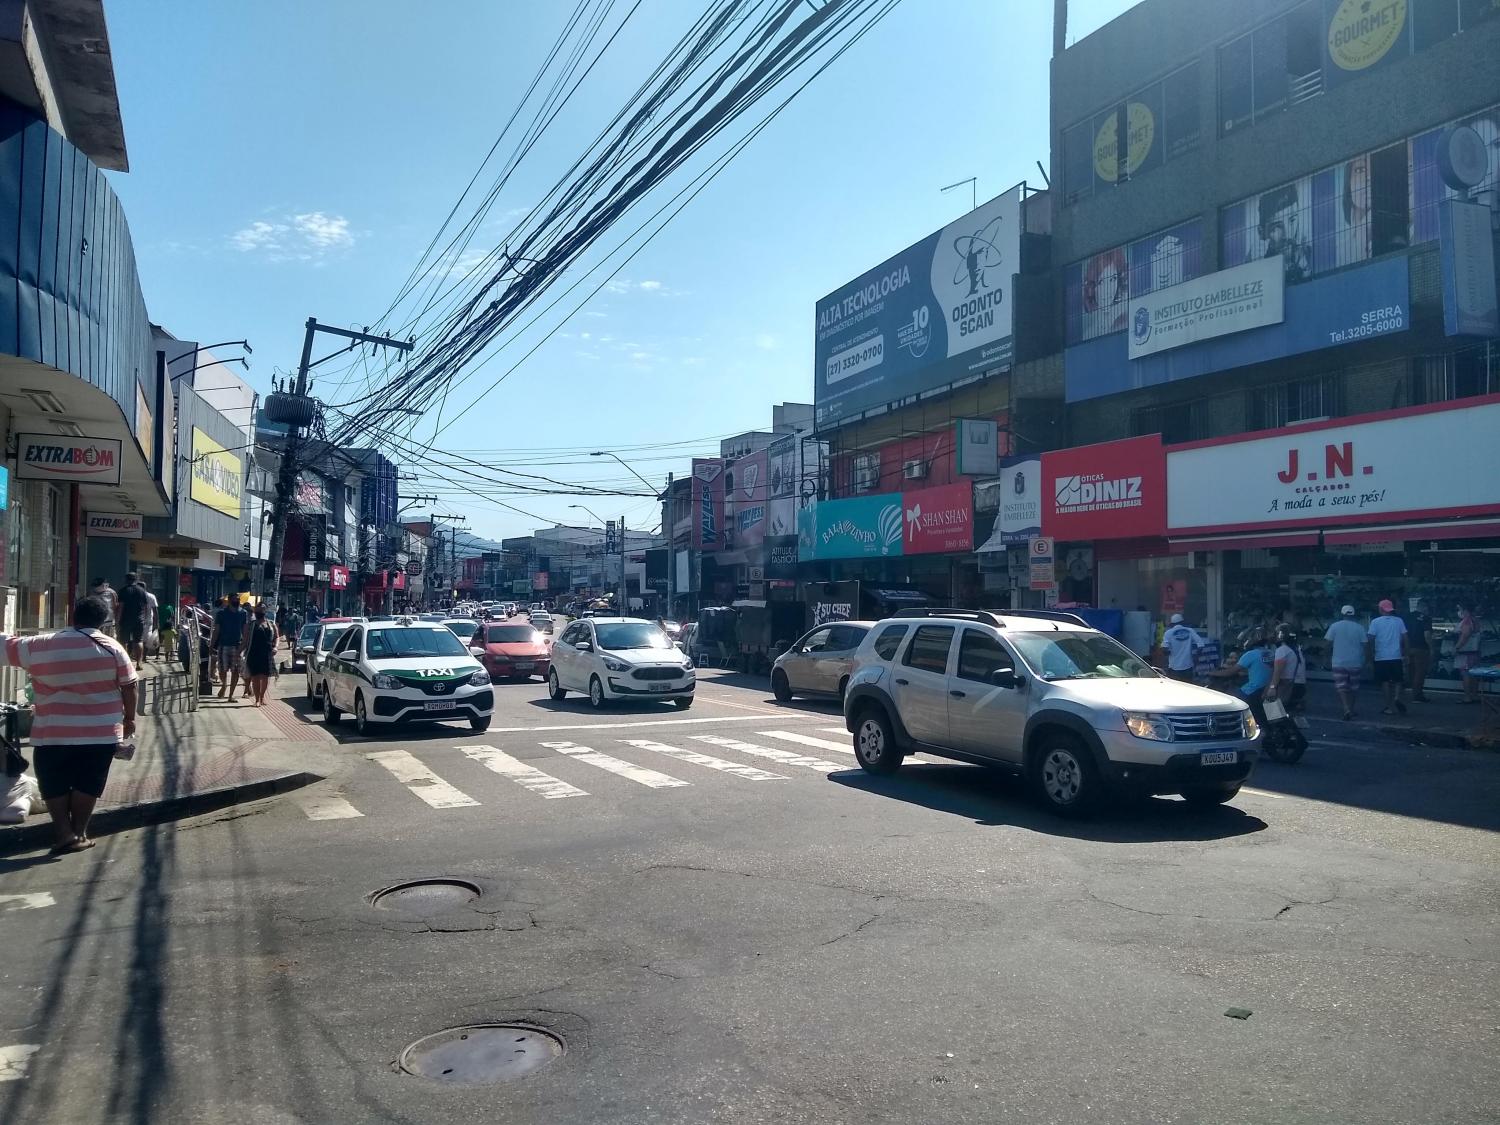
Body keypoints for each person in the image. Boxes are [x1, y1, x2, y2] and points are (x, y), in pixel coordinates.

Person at [0, 596, 137, 854]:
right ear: (103, 620)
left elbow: (5, 646)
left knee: (54, 782)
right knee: (88, 782)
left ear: (73, 617)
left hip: (51, 732)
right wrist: (129, 718)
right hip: (100, 733)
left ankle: (64, 833)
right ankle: (80, 832)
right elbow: (129, 686)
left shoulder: (40, 645)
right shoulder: (112, 648)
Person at [1324, 605, 1367, 721]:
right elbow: (1365, 645)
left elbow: (1327, 644)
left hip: (1338, 661)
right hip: (1355, 661)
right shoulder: (1360, 628)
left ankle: (1346, 708)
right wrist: (1367, 659)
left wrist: (1326, 657)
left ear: (1341, 613)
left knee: (1341, 687)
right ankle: (1351, 709)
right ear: (1353, 614)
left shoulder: (1334, 626)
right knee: (1354, 687)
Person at [1367, 598, 1408, 716]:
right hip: (1396, 655)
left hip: (1381, 656)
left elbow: (1370, 638)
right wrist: (1406, 653)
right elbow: (1405, 637)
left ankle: (1389, 707)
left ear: (1381, 609)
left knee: (1384, 682)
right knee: (1398, 680)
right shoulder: (1399, 621)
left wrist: (1370, 654)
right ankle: (1396, 697)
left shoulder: (1375, 622)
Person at [210, 596, 249, 702]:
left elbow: (245, 630)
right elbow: (216, 630)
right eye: (234, 600)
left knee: (236, 671)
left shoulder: (243, 613)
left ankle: (231, 695)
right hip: (223, 645)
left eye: (238, 600)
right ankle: (224, 685)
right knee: (222, 669)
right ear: (229, 601)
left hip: (237, 645)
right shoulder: (221, 613)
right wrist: (212, 645)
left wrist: (243, 645)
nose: (236, 601)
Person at [1234, 633, 1275, 726]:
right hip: (1267, 688)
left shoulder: (1251, 654)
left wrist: (1212, 673)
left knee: (1232, 696)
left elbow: (1231, 671)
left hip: (1253, 691)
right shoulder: (1271, 653)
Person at [1267, 626, 1307, 714]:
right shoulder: (1296, 650)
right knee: (1287, 712)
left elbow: (1278, 671)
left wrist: (1272, 687)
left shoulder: (1282, 650)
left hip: (1286, 686)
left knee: (1273, 714)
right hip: (1299, 686)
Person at [244, 603, 277, 707]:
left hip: (266, 653)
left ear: (265, 611)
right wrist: (238, 652)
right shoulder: (250, 625)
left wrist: (275, 647)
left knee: (265, 677)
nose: (260, 612)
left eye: (262, 610)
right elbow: (245, 640)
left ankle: (262, 697)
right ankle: (257, 699)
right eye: (258, 610)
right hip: (253, 653)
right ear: (255, 611)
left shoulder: (271, 624)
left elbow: (277, 636)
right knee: (255, 677)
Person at [117, 572, 151, 671]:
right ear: (136, 580)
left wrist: (118, 620)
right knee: (138, 641)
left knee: (123, 641)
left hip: (125, 619)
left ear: (126, 580)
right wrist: (144, 618)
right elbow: (145, 607)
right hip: (139, 619)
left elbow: (121, 607)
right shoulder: (142, 591)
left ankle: (125, 662)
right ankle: (139, 663)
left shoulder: (123, 591)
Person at [1403, 598, 1433, 702]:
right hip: (1421, 648)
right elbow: (1427, 635)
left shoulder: (1408, 617)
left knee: (1411, 671)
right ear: (1424, 607)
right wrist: (1431, 647)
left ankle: (1413, 692)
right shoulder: (1426, 618)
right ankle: (1417, 695)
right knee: (1420, 673)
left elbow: (1403, 633)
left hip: (1409, 647)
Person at [1454, 603, 1483, 705]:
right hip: (1475, 651)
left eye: (1459, 609)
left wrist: (1457, 647)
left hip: (1465, 652)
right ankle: (1474, 695)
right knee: (1474, 674)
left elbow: (1465, 635)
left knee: (1465, 673)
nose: (1459, 612)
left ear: (1465, 610)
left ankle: (1467, 696)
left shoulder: (1466, 621)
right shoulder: (1475, 620)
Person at [1161, 613, 1203, 682]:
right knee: (1188, 688)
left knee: (1175, 689)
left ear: (1172, 624)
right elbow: (1201, 645)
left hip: (1174, 667)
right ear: (1182, 622)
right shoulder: (1190, 631)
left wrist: (1168, 653)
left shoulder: (1168, 633)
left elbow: (1165, 648)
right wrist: (1196, 657)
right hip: (1188, 666)